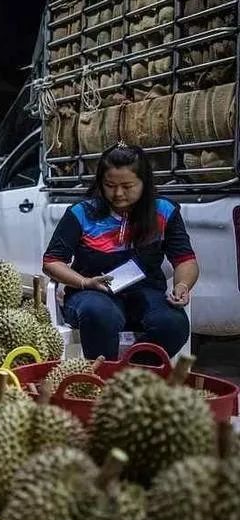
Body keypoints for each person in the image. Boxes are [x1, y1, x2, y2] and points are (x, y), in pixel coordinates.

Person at [42, 142, 198, 360]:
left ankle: (131, 374)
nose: (118, 193)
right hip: (91, 294)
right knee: (100, 314)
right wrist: (85, 282)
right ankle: (103, 379)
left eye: (127, 186)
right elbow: (52, 261)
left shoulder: (164, 211)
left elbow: (185, 260)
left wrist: (182, 285)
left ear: (144, 182)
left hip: (147, 293)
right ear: (100, 183)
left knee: (173, 325)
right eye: (110, 185)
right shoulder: (81, 213)